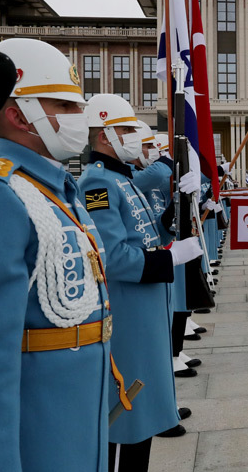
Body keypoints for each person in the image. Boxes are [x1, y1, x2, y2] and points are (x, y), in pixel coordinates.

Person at [0, 39, 112, 471]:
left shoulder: (58, 189)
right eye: (65, 104)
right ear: (19, 115)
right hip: (41, 435)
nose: (81, 117)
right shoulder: (2, 195)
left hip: (81, 418)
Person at [79, 94, 203, 470]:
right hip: (128, 316)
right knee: (127, 420)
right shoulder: (97, 184)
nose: (136, 136)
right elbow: (114, 258)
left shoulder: (123, 178)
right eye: (127, 129)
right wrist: (169, 258)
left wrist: (176, 209)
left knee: (144, 415)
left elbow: (148, 232)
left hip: (146, 311)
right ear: (104, 136)